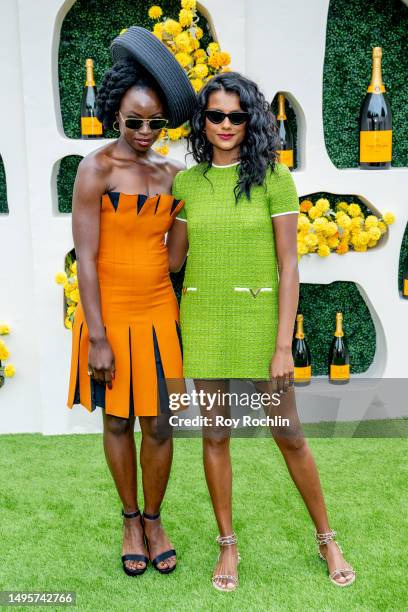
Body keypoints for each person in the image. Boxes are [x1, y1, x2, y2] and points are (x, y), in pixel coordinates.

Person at [168, 72, 355, 591]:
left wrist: (281, 347)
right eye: (215, 115)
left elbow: (289, 265)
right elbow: (175, 260)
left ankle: (326, 536)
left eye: (236, 115)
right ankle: (227, 546)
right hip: (203, 322)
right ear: (201, 122)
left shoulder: (274, 177)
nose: (225, 125)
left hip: (259, 324)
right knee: (215, 433)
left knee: (289, 436)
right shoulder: (186, 183)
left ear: (251, 120)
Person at [66, 27, 196, 577]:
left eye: (155, 124)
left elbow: (174, 259)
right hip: (108, 317)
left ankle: (154, 517)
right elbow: (85, 259)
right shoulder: (95, 169)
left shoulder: (174, 176)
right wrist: (96, 335)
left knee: (160, 424)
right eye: (134, 121)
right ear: (115, 115)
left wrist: (191, 215)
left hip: (159, 313)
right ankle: (128, 520)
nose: (145, 133)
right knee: (117, 422)